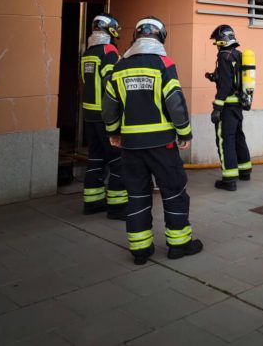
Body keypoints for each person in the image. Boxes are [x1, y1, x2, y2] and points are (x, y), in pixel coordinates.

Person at [102, 16, 203, 265]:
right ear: (161, 37)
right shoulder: (164, 64)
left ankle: (140, 250)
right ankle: (179, 245)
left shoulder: (119, 66)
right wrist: (184, 133)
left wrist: (114, 133)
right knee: (173, 190)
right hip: (162, 145)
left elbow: (109, 106)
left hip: (131, 146)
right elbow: (175, 102)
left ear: (136, 37)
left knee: (136, 194)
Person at [80, 13, 127, 219]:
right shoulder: (109, 51)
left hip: (89, 114)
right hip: (105, 115)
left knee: (96, 158)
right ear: (111, 30)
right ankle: (117, 207)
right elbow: (112, 83)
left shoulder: (87, 52)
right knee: (118, 160)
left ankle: (92, 201)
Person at [206, 24, 252, 191]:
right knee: (238, 136)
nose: (216, 44)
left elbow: (225, 85)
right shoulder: (238, 55)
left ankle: (229, 179)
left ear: (223, 41)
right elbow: (233, 80)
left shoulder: (224, 56)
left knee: (226, 140)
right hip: (238, 105)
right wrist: (214, 77)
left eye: (217, 41)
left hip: (227, 106)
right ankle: (245, 171)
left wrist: (217, 108)